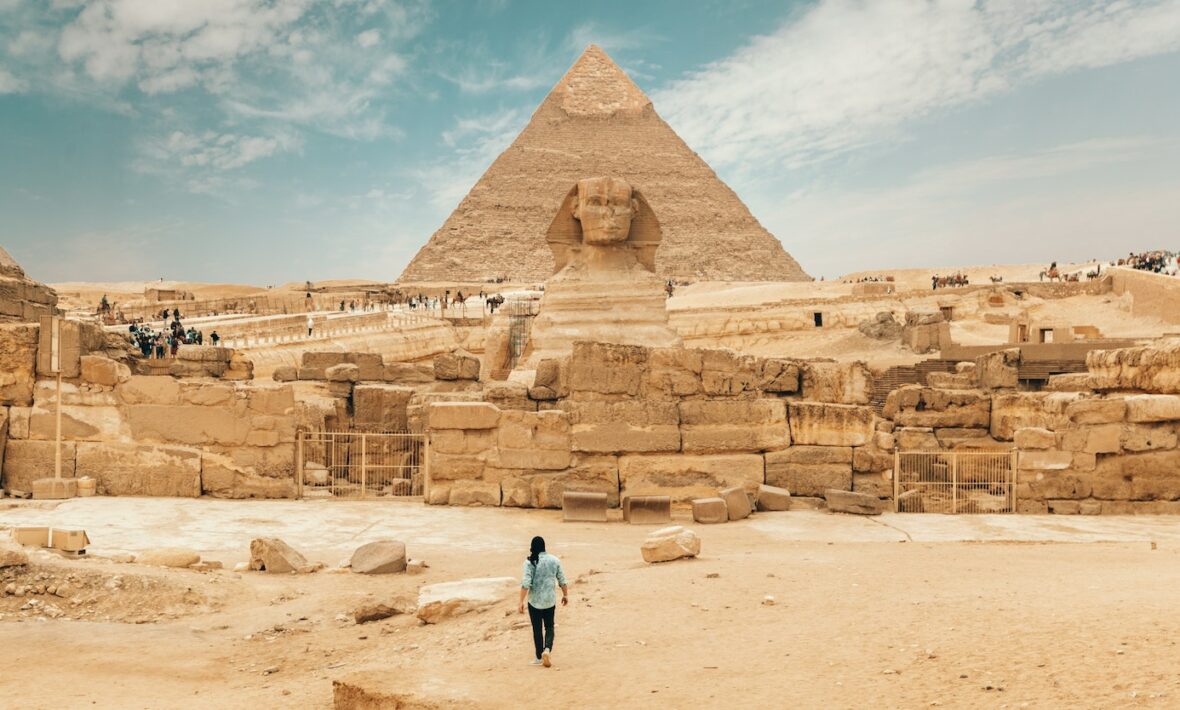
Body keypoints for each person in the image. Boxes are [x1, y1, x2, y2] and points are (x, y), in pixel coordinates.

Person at [518, 536, 568, 668]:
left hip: (534, 601)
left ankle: (539, 657)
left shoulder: (529, 562)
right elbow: (562, 579)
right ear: (544, 546)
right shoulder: (554, 560)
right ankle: (547, 649)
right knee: (549, 627)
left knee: (537, 629)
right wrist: (565, 595)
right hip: (550, 600)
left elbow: (525, 583)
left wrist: (521, 601)